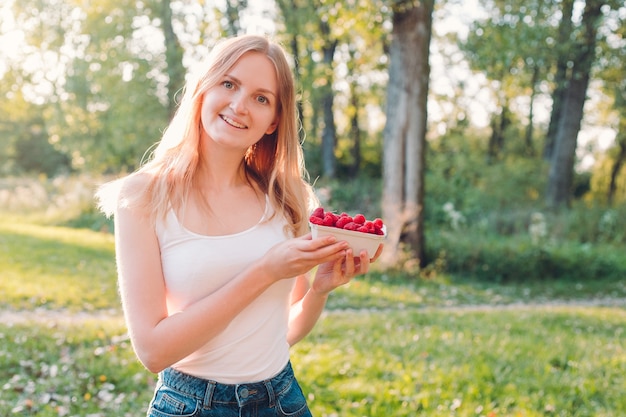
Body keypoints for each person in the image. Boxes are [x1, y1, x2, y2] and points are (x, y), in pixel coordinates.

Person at [96, 34, 383, 417]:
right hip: (190, 406)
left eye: (261, 98)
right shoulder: (143, 195)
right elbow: (153, 351)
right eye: (229, 84)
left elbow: (283, 332)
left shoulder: (288, 198)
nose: (239, 106)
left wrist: (320, 289)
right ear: (203, 88)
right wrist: (265, 271)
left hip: (282, 400)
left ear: (273, 121)